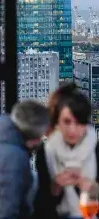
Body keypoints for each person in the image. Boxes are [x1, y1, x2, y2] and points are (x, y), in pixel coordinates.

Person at [33, 83, 99, 219]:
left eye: (79, 123)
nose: (73, 130)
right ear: (57, 122)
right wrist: (55, 188)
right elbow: (40, 210)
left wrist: (93, 190)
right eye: (67, 122)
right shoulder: (46, 152)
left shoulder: (96, 150)